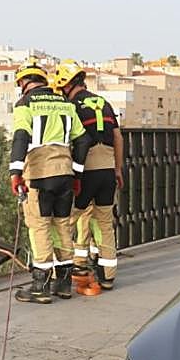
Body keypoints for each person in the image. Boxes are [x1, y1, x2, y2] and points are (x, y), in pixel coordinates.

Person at [9, 59, 90, 303]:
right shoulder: (65, 103)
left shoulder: (25, 103)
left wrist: (15, 172)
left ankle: (40, 286)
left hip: (40, 174)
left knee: (40, 227)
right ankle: (63, 284)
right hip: (65, 173)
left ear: (23, 82)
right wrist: (76, 173)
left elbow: (21, 136)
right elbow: (83, 140)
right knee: (62, 226)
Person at [50, 59, 123, 292]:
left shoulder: (72, 106)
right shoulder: (104, 103)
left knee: (66, 219)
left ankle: (59, 271)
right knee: (104, 222)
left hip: (87, 170)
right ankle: (108, 276)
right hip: (108, 169)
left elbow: (73, 140)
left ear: (66, 85)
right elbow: (118, 138)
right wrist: (118, 169)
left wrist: (74, 174)